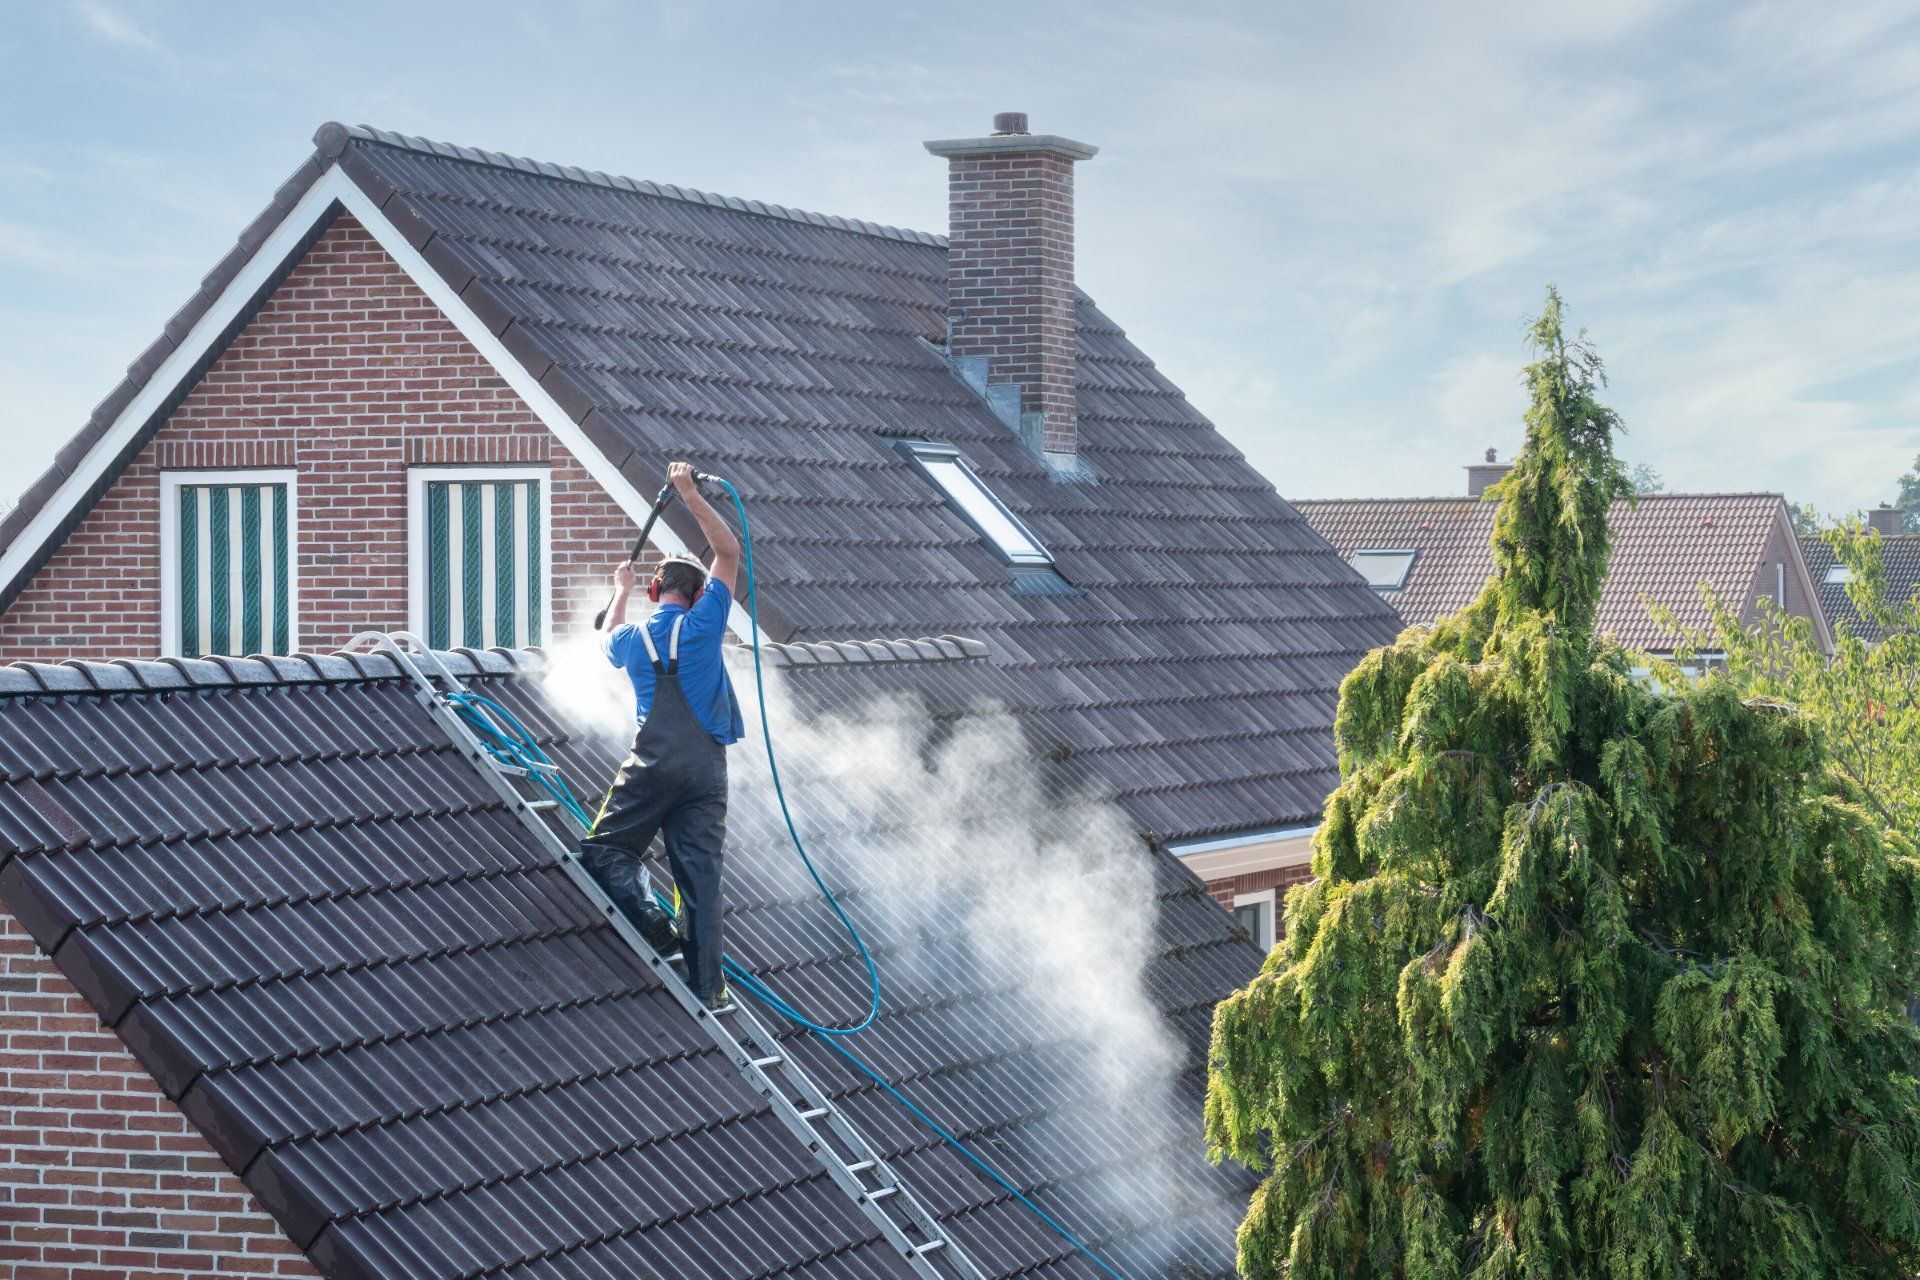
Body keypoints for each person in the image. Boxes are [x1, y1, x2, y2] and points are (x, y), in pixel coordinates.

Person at [582, 461, 744, 1005]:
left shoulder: (630, 638)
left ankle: (652, 923)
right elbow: (728, 552)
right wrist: (689, 495)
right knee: (699, 880)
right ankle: (709, 990)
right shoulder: (705, 625)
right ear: (700, 597)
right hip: (704, 771)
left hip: (649, 767)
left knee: (606, 849)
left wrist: (619, 590)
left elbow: (604, 634)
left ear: (656, 591)